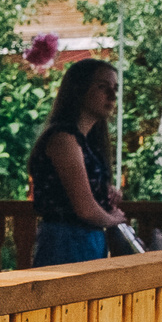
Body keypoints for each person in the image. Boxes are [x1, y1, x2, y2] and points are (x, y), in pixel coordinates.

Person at [28, 61, 127, 265]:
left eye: (115, 88)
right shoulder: (63, 139)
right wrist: (114, 219)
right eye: (102, 86)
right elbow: (85, 209)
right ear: (79, 89)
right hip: (65, 242)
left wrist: (103, 191)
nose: (112, 95)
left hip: (85, 241)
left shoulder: (86, 142)